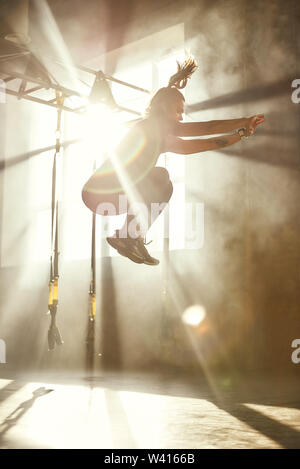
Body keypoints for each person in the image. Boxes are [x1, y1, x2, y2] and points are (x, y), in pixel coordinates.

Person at [82, 57, 264, 265]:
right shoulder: (150, 126)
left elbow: (208, 143)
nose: (180, 118)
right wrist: (243, 120)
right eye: (178, 111)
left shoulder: (164, 139)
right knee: (160, 177)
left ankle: (130, 236)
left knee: (166, 187)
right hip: (98, 192)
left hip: (108, 199)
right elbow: (207, 128)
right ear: (162, 107)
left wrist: (242, 134)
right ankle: (128, 236)